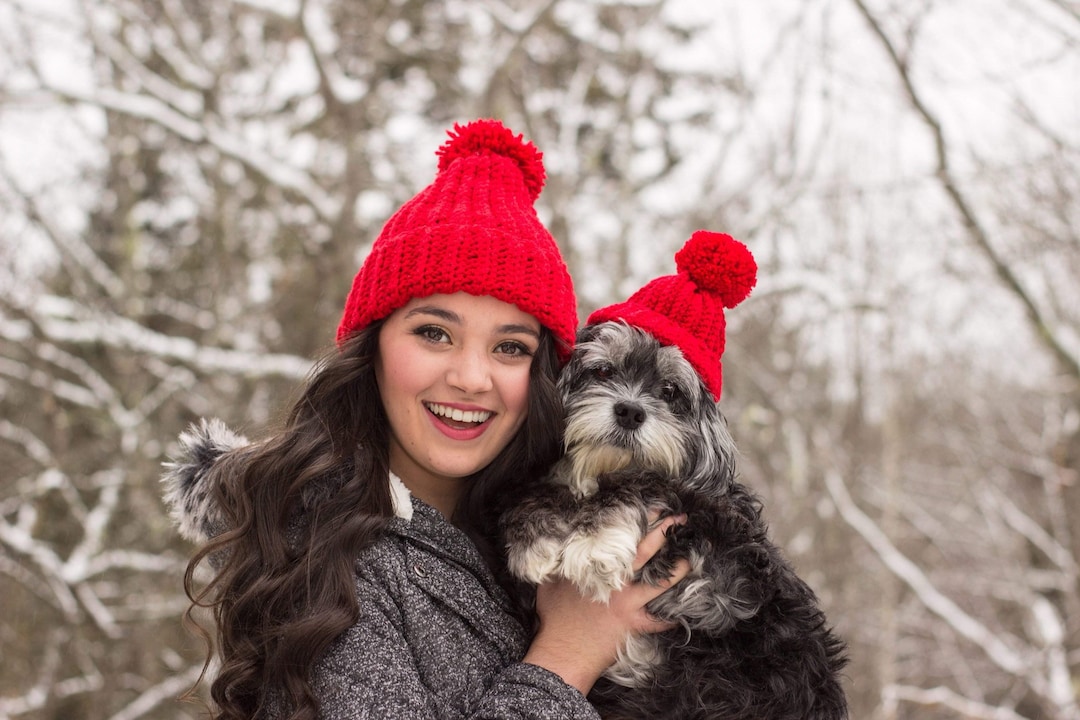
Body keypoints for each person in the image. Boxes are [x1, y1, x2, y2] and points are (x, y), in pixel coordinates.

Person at [163, 118, 688, 720]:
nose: (471, 377)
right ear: (374, 346)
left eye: (510, 347)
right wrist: (570, 652)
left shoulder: (548, 527)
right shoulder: (322, 565)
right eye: (434, 333)